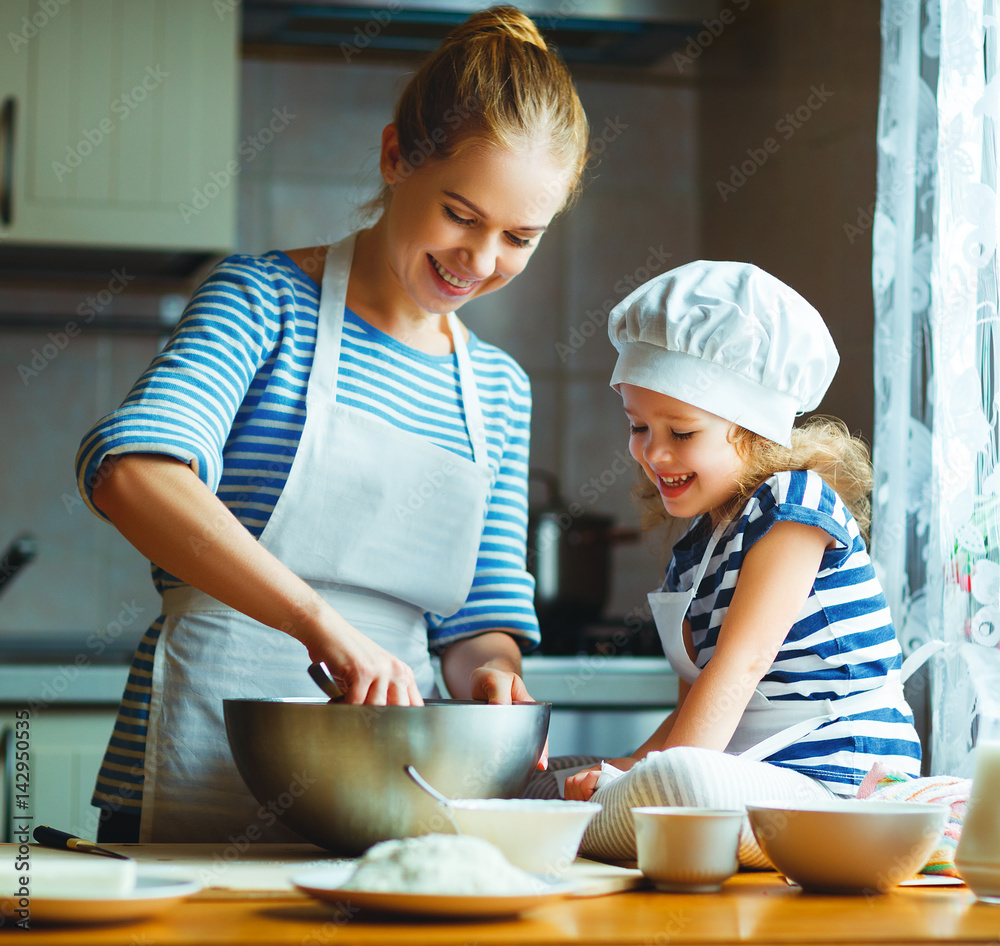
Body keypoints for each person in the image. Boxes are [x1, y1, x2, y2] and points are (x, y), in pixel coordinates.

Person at [75, 5, 589, 844]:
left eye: (520, 237)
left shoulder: (498, 387)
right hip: (194, 761)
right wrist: (320, 627)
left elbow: (475, 625)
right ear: (395, 157)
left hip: (384, 794)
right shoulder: (261, 303)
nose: (481, 260)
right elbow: (129, 472)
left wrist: (494, 677)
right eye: (460, 214)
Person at [538, 260, 924, 867]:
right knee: (544, 779)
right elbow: (690, 710)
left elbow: (738, 671)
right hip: (748, 770)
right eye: (639, 425)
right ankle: (569, 818)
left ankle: (575, 827)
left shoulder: (796, 505)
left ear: (755, 431)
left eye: (682, 432)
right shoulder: (699, 549)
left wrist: (639, 785)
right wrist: (623, 771)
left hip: (840, 777)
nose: (652, 452)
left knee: (677, 789)